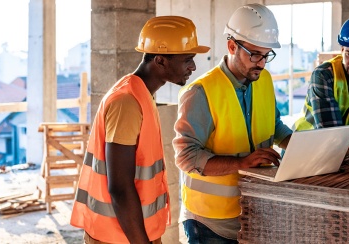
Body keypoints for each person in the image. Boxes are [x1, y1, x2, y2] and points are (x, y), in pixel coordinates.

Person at [70, 16, 209, 244]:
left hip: (133, 233)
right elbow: (120, 188)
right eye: (187, 59)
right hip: (115, 237)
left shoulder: (142, 95)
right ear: (160, 60)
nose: (193, 66)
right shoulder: (127, 102)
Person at [173, 4, 292, 243]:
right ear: (231, 46)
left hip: (252, 211)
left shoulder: (264, 80)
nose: (261, 63)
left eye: (266, 55)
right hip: (209, 223)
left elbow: (274, 125)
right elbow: (186, 157)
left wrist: (299, 145)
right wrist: (242, 163)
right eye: (255, 54)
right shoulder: (201, 92)